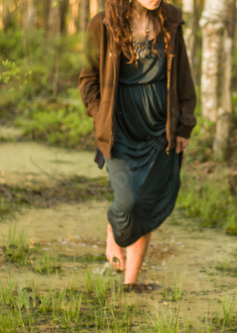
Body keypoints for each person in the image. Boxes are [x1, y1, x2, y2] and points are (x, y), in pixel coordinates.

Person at [78, 0, 197, 289]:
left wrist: (183, 126)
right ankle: (114, 227)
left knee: (147, 202)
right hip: (121, 131)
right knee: (129, 200)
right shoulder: (102, 24)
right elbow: (88, 80)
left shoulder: (170, 20)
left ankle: (131, 284)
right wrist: (100, 114)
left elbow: (182, 77)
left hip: (160, 130)